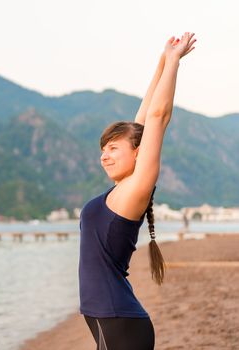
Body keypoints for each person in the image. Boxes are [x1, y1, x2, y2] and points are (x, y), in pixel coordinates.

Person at [78, 33, 196, 350]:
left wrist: (173, 63)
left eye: (113, 148)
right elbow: (143, 119)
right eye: (103, 149)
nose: (104, 155)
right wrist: (161, 60)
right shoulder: (118, 191)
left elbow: (158, 116)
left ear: (137, 153)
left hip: (121, 321)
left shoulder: (135, 190)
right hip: (102, 316)